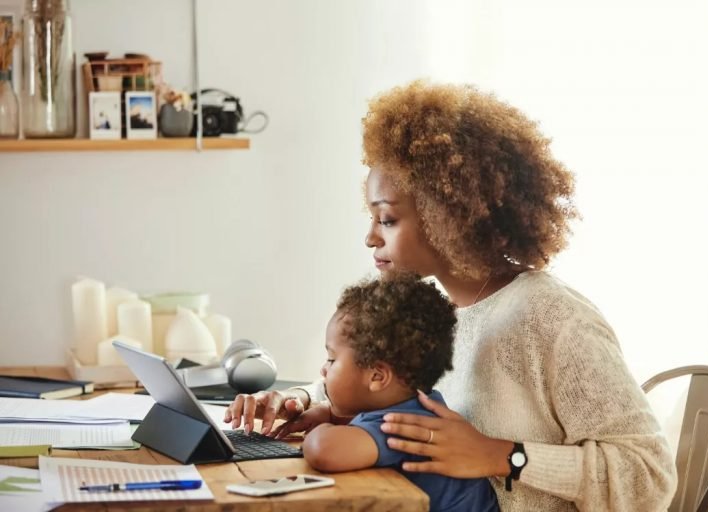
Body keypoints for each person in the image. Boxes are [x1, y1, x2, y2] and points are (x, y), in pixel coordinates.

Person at [225, 80, 676, 511]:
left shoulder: (551, 317)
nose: (370, 238)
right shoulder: (438, 311)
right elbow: (387, 387)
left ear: (448, 215)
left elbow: (649, 477)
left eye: (387, 219)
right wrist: (306, 402)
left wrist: (504, 456)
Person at [270, 273, 499, 512]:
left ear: (377, 377)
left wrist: (322, 431)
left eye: (332, 359)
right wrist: (330, 416)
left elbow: (324, 451)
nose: (324, 369)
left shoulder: (403, 425)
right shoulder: (424, 404)